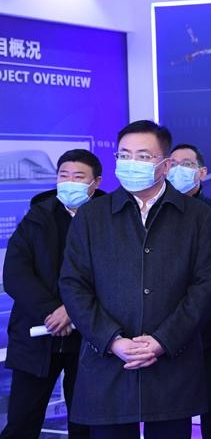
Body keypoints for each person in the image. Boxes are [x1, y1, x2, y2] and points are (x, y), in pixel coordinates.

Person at [59, 120, 211, 439]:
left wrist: (162, 341)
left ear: (165, 165)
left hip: (172, 362)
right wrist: (113, 340)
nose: (132, 163)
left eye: (144, 156)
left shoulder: (197, 216)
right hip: (108, 363)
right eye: (124, 154)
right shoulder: (92, 215)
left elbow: (205, 286)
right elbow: (74, 284)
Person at [1, 149, 104, 439]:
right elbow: (15, 274)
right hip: (36, 336)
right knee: (21, 422)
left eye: (78, 176)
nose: (69, 182)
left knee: (86, 425)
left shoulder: (110, 219)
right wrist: (51, 311)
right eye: (63, 175)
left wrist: (72, 310)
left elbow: (116, 276)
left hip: (89, 339)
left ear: (96, 182)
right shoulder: (37, 216)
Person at [168, 143, 211, 439]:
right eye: (173, 163)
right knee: (170, 408)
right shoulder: (152, 212)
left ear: (202, 172)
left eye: (187, 164)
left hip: (210, 328)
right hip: (165, 330)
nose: (178, 170)